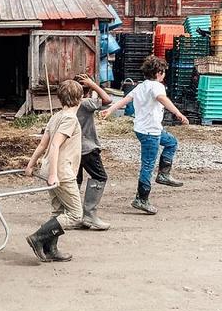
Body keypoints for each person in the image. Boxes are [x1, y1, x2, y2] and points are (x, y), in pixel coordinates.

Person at [101, 55, 189, 215]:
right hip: (150, 132)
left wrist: (110, 110)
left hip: (144, 129)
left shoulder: (141, 86)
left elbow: (125, 100)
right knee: (148, 165)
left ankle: (164, 174)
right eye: (163, 72)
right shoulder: (157, 86)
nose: (164, 75)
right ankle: (141, 199)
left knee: (171, 142)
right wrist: (178, 113)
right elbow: (162, 98)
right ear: (158, 73)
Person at [24, 79, 84, 263]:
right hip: (61, 172)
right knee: (75, 215)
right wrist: (53, 175)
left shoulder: (56, 116)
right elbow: (55, 145)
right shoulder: (70, 119)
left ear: (60, 99)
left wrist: (31, 164)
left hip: (51, 168)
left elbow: (43, 143)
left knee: (58, 211)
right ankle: (38, 238)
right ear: (81, 98)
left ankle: (51, 249)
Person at [74, 73, 113, 231]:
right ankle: (89, 215)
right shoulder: (86, 103)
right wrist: (94, 85)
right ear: (87, 90)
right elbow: (107, 100)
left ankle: (74, 215)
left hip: (74, 148)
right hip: (88, 148)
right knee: (100, 177)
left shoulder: (70, 104)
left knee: (75, 180)